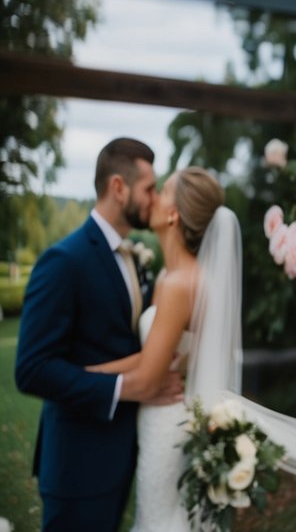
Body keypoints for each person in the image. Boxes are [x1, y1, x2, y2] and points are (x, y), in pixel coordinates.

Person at [87, 167, 296, 529]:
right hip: (163, 412)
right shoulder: (174, 277)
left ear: (174, 214)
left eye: (162, 191)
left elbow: (151, 372)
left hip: (165, 419)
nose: (153, 197)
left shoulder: (179, 285)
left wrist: (82, 374)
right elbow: (158, 355)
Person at [14, 138, 181, 532]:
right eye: (149, 189)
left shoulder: (133, 256)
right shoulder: (64, 261)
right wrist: (128, 387)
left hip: (122, 457)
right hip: (78, 467)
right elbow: (32, 369)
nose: (154, 198)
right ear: (118, 187)